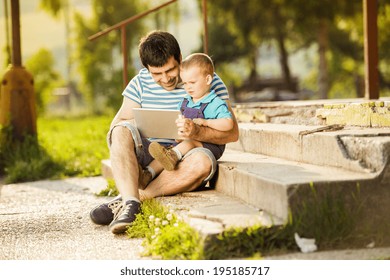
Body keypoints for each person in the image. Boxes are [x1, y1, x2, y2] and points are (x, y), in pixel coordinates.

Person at [89, 30, 239, 234]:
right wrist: (143, 122)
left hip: (187, 156)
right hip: (148, 155)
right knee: (120, 131)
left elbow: (232, 133)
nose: (166, 79)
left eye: (170, 70)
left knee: (203, 162)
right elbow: (117, 126)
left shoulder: (203, 79)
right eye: (156, 74)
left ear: (179, 58)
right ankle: (132, 199)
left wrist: (196, 132)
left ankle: (131, 202)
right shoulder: (139, 83)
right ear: (146, 69)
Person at [148, 53, 233, 173]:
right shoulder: (185, 102)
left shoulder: (215, 102)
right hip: (186, 143)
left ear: (208, 79)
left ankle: (172, 157)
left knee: (187, 144)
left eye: (192, 83)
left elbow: (228, 124)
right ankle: (148, 173)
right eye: (185, 83)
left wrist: (206, 122)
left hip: (210, 146)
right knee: (166, 151)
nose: (188, 88)